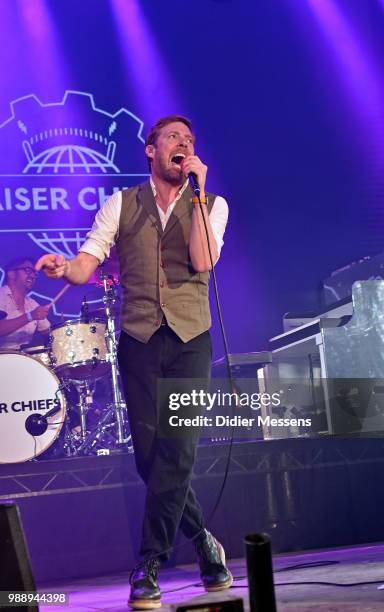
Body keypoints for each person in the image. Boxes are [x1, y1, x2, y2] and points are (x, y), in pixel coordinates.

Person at [36, 115, 231, 610]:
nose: (183, 145)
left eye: (189, 139)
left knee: (179, 449)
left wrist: (200, 194)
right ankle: (205, 542)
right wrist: (66, 268)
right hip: (141, 339)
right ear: (151, 150)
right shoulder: (121, 204)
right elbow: (88, 259)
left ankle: (148, 563)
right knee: (150, 456)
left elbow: (203, 260)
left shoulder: (212, 205)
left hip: (191, 339)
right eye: (173, 138)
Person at [0, 257, 51, 350]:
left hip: (24, 360)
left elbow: (48, 332)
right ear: (11, 274)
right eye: (28, 270)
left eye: (34, 273)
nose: (33, 276)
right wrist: (30, 316)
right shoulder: (1, 296)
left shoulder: (32, 304)